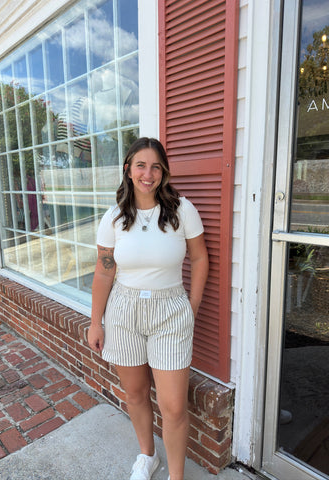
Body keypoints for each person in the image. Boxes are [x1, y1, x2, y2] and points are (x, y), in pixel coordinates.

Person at [88, 137, 209, 480]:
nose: (148, 173)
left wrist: (193, 305)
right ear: (128, 170)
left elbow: (200, 258)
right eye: (141, 165)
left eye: (156, 166)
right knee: (137, 393)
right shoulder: (114, 218)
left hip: (170, 310)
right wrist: (95, 322)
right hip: (123, 311)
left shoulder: (181, 210)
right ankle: (147, 456)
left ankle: (176, 476)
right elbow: (103, 270)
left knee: (173, 406)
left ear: (163, 172)